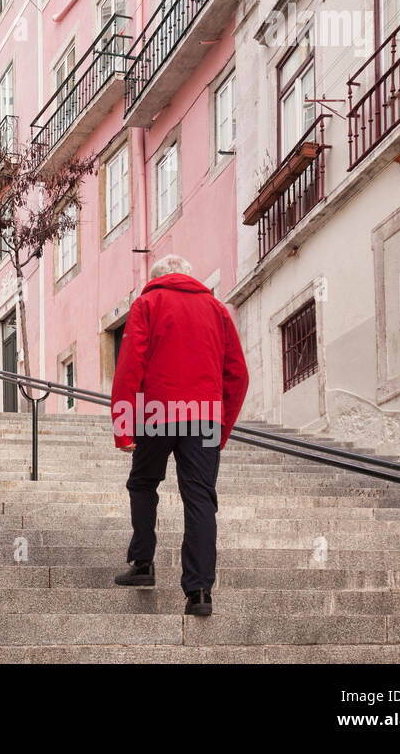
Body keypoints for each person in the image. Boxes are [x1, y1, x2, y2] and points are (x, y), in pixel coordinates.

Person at [109, 254, 249, 616]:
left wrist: (124, 428)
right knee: (200, 498)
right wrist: (222, 427)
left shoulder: (147, 303)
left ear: (157, 278)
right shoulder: (217, 309)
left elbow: (129, 368)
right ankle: (199, 592)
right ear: (189, 277)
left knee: (143, 483)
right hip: (204, 417)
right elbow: (238, 374)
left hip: (158, 412)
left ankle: (143, 564)